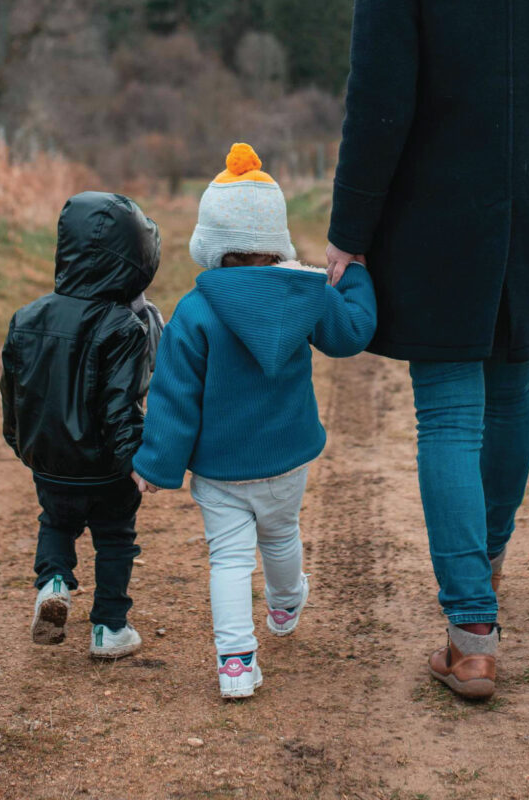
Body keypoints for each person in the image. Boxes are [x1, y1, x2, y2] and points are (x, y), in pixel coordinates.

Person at [325, 0, 529, 698]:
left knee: (451, 418)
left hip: (434, 222)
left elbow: (378, 99)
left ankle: (472, 635)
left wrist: (351, 229)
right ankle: (483, 570)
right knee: (509, 397)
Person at [131, 144, 377, 699]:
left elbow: (173, 398)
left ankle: (236, 664)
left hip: (220, 468)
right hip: (286, 458)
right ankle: (287, 604)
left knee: (230, 559)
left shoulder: (195, 311)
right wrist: (355, 274)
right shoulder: (308, 292)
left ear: (211, 241)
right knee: (282, 533)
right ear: (276, 237)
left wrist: (154, 464)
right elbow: (352, 332)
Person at [0, 191, 163, 660]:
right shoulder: (124, 326)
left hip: (49, 462)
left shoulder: (26, 317)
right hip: (108, 469)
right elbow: (120, 407)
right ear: (135, 261)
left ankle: (53, 582)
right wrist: (137, 461)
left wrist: (23, 445)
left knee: (56, 522)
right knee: (114, 538)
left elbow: (13, 393)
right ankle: (109, 629)